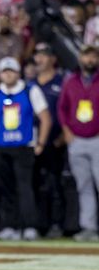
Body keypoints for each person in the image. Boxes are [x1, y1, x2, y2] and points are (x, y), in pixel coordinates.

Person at [0, 57, 51, 241]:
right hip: (2, 146)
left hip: (24, 146)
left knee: (25, 187)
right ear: (0, 74)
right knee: (5, 188)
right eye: (4, 71)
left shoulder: (30, 90)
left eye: (11, 71)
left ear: (17, 72)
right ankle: (9, 225)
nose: (8, 74)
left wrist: (41, 143)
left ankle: (29, 225)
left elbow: (45, 117)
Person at [57, 45, 99, 241]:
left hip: (97, 138)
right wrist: (66, 130)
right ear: (81, 58)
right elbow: (62, 108)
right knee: (84, 185)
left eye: (93, 56)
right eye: (87, 56)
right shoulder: (71, 81)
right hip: (77, 140)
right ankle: (88, 227)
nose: (89, 60)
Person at [31, 43, 69, 237]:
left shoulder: (62, 82)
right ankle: (39, 224)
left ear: (53, 59)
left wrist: (64, 135)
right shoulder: (31, 83)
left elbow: (67, 110)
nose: (40, 59)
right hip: (32, 141)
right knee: (36, 184)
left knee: (56, 183)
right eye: (37, 55)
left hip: (55, 140)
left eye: (44, 55)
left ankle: (57, 223)